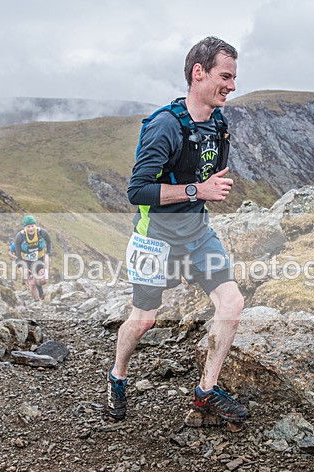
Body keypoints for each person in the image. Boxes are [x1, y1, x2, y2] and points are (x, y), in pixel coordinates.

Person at [105, 36, 248, 423]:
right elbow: (138, 191)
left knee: (231, 304)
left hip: (199, 235)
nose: (232, 86)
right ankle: (117, 376)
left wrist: (204, 192)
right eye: (226, 76)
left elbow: (209, 174)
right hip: (155, 241)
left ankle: (206, 391)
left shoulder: (218, 124)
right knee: (144, 320)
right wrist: (196, 190)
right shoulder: (164, 126)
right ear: (198, 73)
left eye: (235, 78)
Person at [13, 215, 51, 301]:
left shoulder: (41, 232)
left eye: (32, 226)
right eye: (28, 227)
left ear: (35, 225)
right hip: (25, 261)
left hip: (38, 260)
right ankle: (37, 302)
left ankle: (38, 284)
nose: (31, 229)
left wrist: (48, 254)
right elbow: (18, 255)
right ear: (25, 227)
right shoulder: (20, 236)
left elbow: (49, 241)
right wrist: (25, 268)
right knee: (31, 282)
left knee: (43, 280)